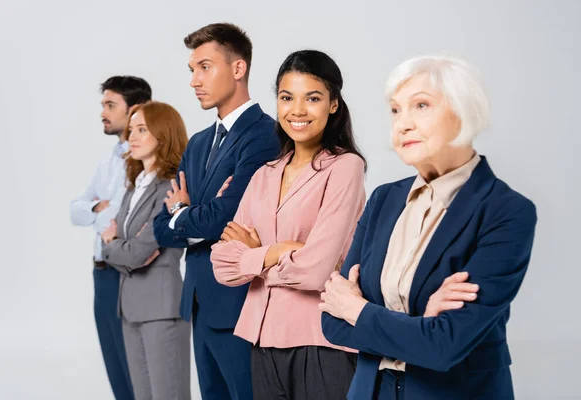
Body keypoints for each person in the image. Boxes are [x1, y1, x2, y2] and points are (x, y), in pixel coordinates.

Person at [320, 55, 537, 399]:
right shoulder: (383, 199)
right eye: (395, 110)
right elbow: (332, 321)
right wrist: (420, 321)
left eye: (421, 105)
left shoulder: (507, 211)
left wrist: (358, 309)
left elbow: (443, 346)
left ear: (463, 112)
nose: (402, 124)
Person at [210, 49, 365, 399]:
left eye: (312, 98)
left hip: (322, 342)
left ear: (333, 104)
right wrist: (278, 252)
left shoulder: (345, 168)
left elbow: (316, 271)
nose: (297, 110)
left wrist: (255, 259)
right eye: (286, 97)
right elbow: (221, 264)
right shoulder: (264, 175)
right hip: (262, 341)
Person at [152, 23, 280, 400]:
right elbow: (162, 228)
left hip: (239, 301)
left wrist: (187, 212)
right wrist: (189, 214)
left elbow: (226, 216)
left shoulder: (264, 136)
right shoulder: (198, 143)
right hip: (198, 303)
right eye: (192, 70)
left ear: (238, 69)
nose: (194, 80)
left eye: (204, 67)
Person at [101, 101, 191, 400]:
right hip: (130, 308)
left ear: (163, 135)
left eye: (142, 129)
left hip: (161, 309)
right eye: (131, 130)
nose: (132, 137)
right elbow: (133, 249)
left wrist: (112, 244)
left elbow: (138, 251)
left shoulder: (170, 188)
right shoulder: (134, 186)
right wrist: (122, 248)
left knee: (169, 395)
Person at [70, 75, 151, 400]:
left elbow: (124, 218)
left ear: (135, 110)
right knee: (115, 367)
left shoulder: (145, 157)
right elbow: (74, 210)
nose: (102, 112)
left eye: (110, 105)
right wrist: (99, 208)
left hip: (125, 273)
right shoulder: (107, 161)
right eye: (103, 104)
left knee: (136, 370)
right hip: (101, 273)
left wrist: (100, 209)